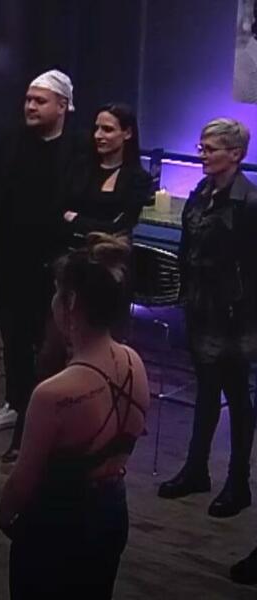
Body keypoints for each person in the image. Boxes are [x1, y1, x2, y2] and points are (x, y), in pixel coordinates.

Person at [0, 233, 150, 599]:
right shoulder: (135, 363)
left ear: (72, 303)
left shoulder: (54, 394)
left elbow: (23, 480)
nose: (51, 301)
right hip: (112, 512)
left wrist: (4, 515)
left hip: (60, 521)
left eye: (56, 292)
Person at [0, 69, 82, 462]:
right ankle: (15, 404)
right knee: (14, 337)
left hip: (55, 265)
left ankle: (50, 414)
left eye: (40, 101)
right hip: (11, 260)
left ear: (62, 106)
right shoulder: (10, 141)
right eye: (28, 100)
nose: (30, 107)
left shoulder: (78, 149)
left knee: (52, 342)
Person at [158, 118, 257, 520]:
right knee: (206, 389)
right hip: (201, 305)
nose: (202, 155)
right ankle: (196, 468)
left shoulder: (249, 203)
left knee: (237, 394)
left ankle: (238, 481)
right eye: (201, 147)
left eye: (210, 149)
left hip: (235, 312)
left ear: (235, 154)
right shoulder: (201, 192)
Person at [63, 103, 152, 242]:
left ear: (127, 133)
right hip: (71, 247)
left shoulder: (138, 179)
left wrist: (75, 219)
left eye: (107, 129)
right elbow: (60, 212)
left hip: (110, 251)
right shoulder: (79, 167)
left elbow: (119, 228)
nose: (98, 135)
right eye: (96, 128)